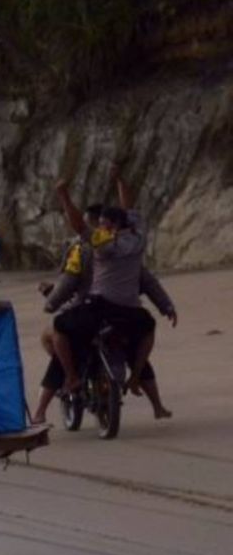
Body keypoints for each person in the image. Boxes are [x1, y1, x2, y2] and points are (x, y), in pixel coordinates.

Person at [30, 204, 178, 423]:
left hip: (88, 311)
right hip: (124, 314)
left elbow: (67, 284)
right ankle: (156, 404)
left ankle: (43, 408)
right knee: (133, 351)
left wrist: (50, 304)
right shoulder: (130, 249)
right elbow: (147, 281)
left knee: (61, 348)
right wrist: (166, 306)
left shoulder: (85, 249)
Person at [52, 168, 162, 395]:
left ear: (110, 227)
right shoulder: (137, 236)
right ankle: (136, 376)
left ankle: (72, 378)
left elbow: (79, 226)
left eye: (103, 224)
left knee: (59, 327)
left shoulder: (103, 246)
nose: (101, 226)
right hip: (131, 309)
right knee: (148, 328)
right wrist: (121, 180)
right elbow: (128, 208)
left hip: (101, 307)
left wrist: (63, 196)